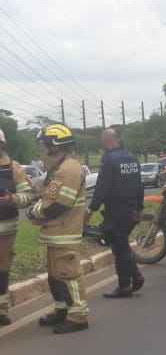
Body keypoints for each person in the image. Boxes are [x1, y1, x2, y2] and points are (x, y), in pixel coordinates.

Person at [29, 124, 90, 334]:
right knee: (56, 275)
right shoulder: (59, 168)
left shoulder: (68, 169)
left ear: (54, 146)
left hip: (65, 231)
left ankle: (78, 316)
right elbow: (48, 194)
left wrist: (34, 212)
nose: (41, 149)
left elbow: (59, 204)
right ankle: (62, 309)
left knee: (70, 274)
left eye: (43, 145)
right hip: (56, 232)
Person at [89, 128, 145, 298]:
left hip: (116, 211)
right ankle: (134, 278)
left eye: (102, 140)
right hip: (131, 209)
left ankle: (126, 284)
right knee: (121, 245)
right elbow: (139, 185)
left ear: (107, 140)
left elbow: (102, 187)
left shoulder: (109, 159)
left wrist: (92, 208)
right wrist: (139, 208)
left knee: (119, 248)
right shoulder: (131, 157)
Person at [0, 129, 36, 326]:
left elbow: (28, 197)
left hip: (5, 229)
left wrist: (12, 199)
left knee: (2, 270)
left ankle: (2, 310)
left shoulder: (13, 168)